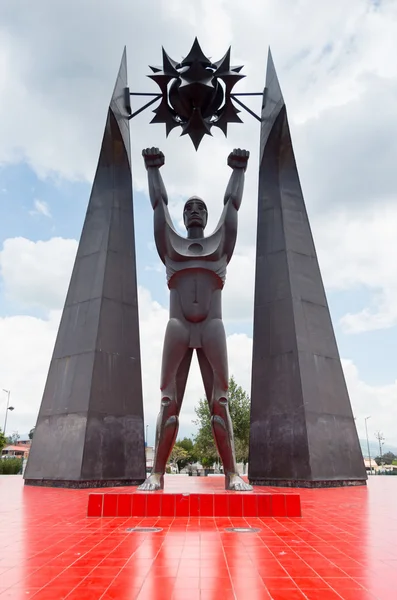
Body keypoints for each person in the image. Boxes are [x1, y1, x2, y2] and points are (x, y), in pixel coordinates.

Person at [138, 147, 252, 491]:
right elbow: (159, 207)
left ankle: (233, 474)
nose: (194, 211)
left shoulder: (220, 245)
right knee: (167, 400)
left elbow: (231, 207)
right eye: (189, 207)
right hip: (178, 327)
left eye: (200, 207)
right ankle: (156, 474)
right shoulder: (171, 245)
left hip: (212, 327)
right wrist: (153, 168)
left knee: (220, 399)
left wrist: (239, 170)